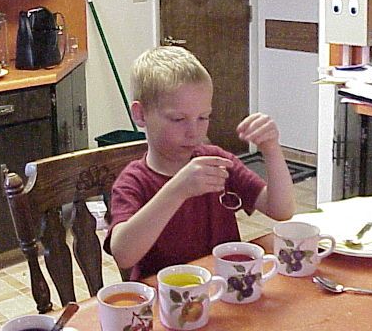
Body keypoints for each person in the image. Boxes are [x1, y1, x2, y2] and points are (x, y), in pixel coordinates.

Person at [104, 46, 296, 280]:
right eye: (178, 119)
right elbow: (123, 254)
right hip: (169, 298)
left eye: (203, 117)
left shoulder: (217, 162)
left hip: (224, 289)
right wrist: (177, 189)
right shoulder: (133, 181)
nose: (193, 132)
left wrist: (272, 149)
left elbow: (281, 210)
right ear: (140, 115)